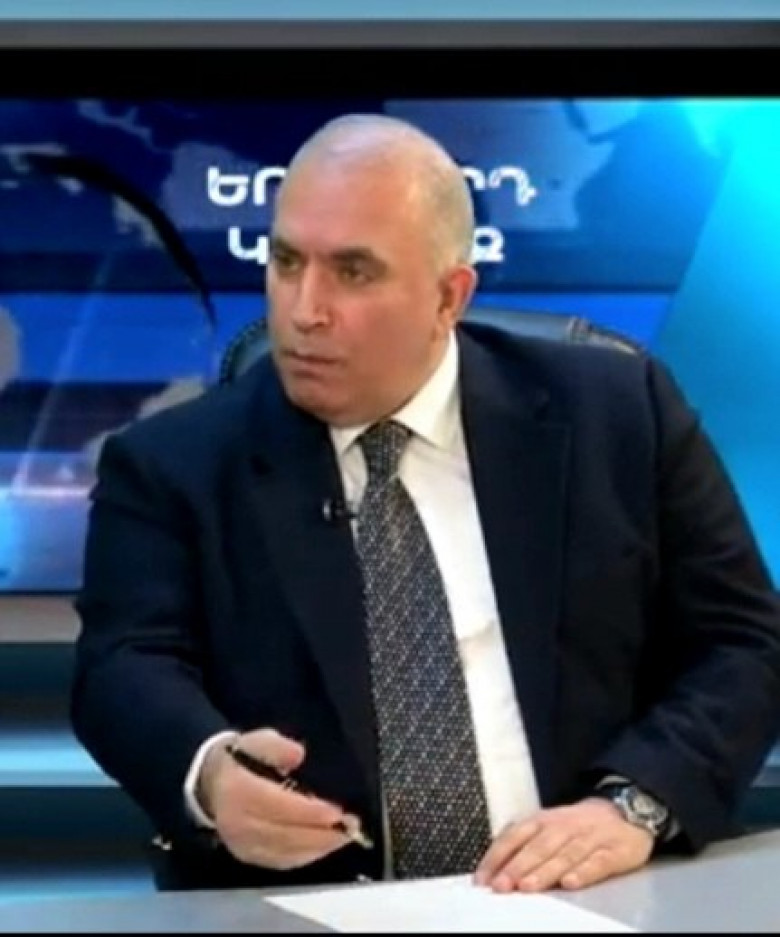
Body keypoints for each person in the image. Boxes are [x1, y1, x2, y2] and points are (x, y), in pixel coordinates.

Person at [70, 113, 780, 894]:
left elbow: (745, 642)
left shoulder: (617, 414)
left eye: (354, 272)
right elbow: (120, 669)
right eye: (286, 261)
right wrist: (208, 771)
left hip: (597, 893)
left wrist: (631, 807)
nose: (305, 309)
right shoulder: (172, 465)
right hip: (315, 904)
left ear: (450, 296)